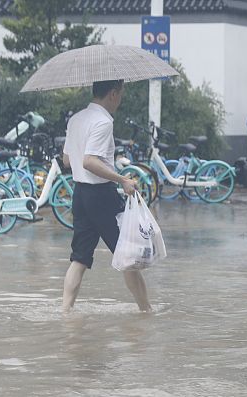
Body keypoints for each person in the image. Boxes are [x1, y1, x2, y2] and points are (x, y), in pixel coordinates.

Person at [61, 79, 151, 312]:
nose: (120, 99)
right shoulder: (103, 122)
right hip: (102, 196)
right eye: (121, 94)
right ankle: (146, 311)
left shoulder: (76, 119)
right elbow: (89, 161)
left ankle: (65, 312)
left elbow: (67, 161)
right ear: (113, 93)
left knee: (79, 259)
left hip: (80, 195)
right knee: (129, 258)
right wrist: (122, 180)